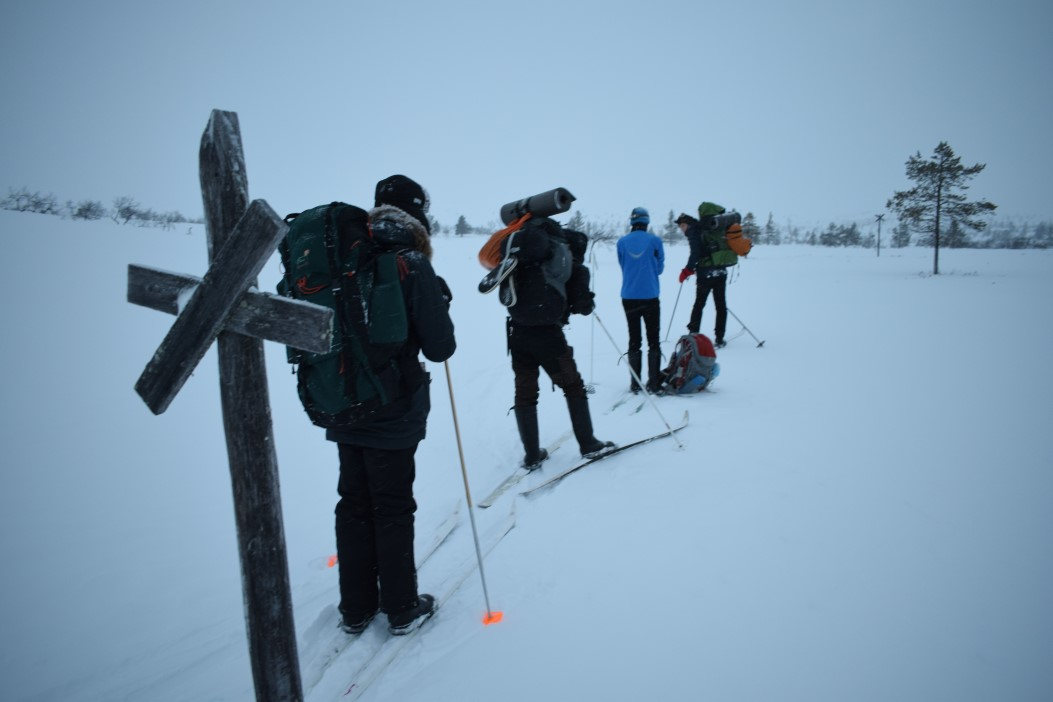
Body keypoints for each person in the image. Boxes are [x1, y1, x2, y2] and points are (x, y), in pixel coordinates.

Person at [328, 175, 456, 637]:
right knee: (392, 503)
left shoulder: (346, 252)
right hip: (393, 406)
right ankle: (401, 606)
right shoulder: (411, 261)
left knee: (353, 501)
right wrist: (435, 299)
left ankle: (356, 607)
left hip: (343, 400)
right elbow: (441, 347)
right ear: (417, 213)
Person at [488, 215, 614, 468]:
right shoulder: (570, 265)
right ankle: (588, 443)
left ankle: (532, 454)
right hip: (549, 336)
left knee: (525, 393)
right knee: (573, 387)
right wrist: (585, 298)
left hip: (517, 333)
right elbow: (582, 306)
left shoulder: (525, 258)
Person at [616, 207, 665, 393]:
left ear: (632, 222)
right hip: (650, 296)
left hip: (629, 296)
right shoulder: (655, 241)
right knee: (654, 340)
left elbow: (623, 265)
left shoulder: (622, 242)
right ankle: (654, 383)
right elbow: (660, 268)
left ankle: (635, 383)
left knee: (634, 339)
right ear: (647, 222)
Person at [676, 207, 731, 348]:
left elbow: (695, 253)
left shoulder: (694, 231)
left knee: (699, 304)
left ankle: (693, 334)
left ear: (688, 223)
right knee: (721, 305)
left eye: (682, 225)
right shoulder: (707, 228)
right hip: (720, 271)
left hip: (706, 275)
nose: (682, 229)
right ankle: (719, 338)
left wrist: (687, 270)